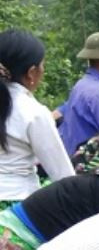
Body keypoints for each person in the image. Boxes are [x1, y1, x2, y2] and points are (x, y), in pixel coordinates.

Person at [0, 29, 76, 209]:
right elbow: (63, 175)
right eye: (42, 66)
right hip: (15, 208)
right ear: (32, 72)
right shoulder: (33, 112)